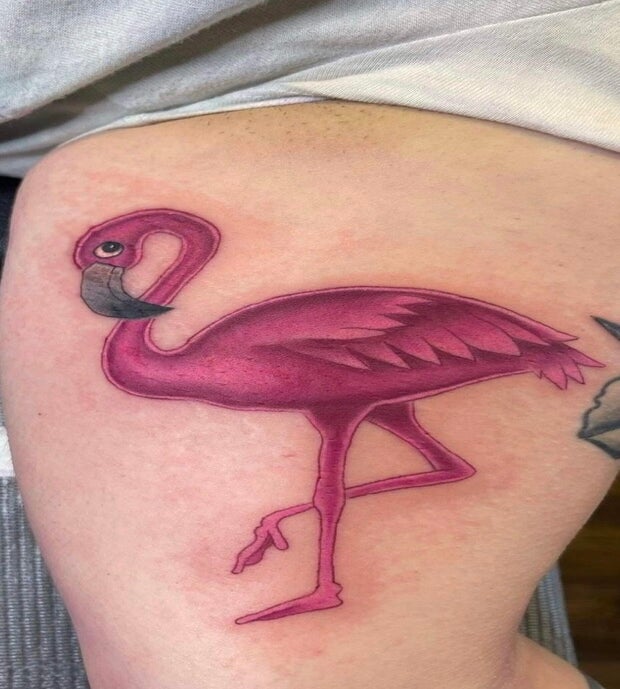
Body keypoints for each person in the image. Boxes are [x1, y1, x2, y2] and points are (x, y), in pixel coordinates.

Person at [0, 3, 618, 689]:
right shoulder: (229, 336)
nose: (106, 279)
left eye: (111, 255)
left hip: (350, 144)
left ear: (166, 240)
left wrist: (289, 515)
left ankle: (324, 586)